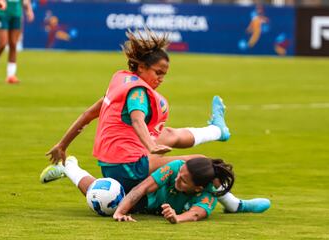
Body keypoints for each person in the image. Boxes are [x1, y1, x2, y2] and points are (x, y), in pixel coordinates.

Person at [41, 29, 270, 213]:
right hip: (130, 163)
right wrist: (151, 147)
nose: (160, 79)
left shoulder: (121, 83)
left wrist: (62, 144)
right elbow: (137, 119)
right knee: (200, 161)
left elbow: (87, 115)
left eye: (164, 74)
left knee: (110, 196)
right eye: (158, 73)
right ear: (141, 67)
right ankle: (235, 204)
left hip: (109, 163)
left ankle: (69, 167)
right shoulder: (138, 92)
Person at [43, 156, 269, 223]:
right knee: (103, 196)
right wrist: (120, 211)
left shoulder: (207, 194)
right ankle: (69, 166)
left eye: (185, 180)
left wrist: (176, 218)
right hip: (140, 194)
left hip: (153, 206)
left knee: (218, 184)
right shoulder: (176, 168)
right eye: (182, 173)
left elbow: (197, 214)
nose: (179, 177)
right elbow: (142, 187)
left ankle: (236, 205)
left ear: (198, 188)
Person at [0, 0, 34, 84]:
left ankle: (11, 75)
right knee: (3, 43)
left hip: (16, 14)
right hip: (2, 13)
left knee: (13, 44)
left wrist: (29, 10)